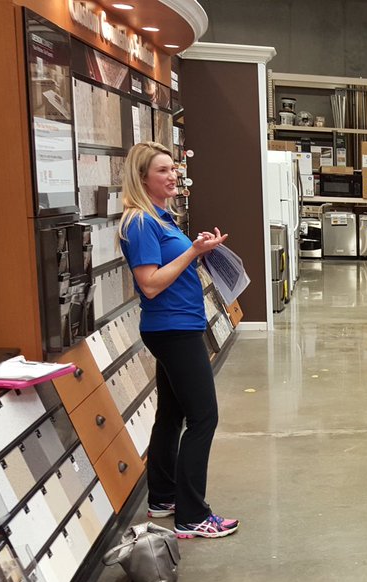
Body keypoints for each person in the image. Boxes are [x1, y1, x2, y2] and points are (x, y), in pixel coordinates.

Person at [118, 142, 238, 539]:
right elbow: (150, 284)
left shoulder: (160, 218)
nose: (172, 176)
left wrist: (199, 252)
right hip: (173, 329)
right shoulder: (140, 222)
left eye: (173, 169)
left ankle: (164, 497)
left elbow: (167, 269)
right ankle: (192, 515)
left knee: (171, 414)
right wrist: (192, 253)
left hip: (178, 324)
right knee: (204, 417)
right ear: (142, 178)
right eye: (162, 170)